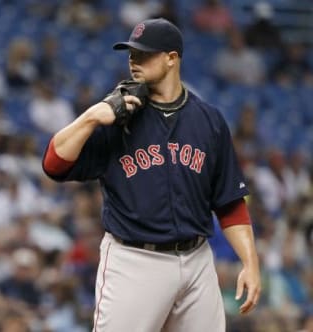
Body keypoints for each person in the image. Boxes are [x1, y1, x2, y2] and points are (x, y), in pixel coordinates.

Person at [42, 18, 261, 331]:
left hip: (197, 259)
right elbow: (53, 164)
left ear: (171, 58)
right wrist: (91, 117)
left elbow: (230, 203)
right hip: (135, 261)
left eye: (143, 54)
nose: (134, 61)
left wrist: (251, 264)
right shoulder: (117, 113)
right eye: (131, 54)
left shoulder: (208, 121)